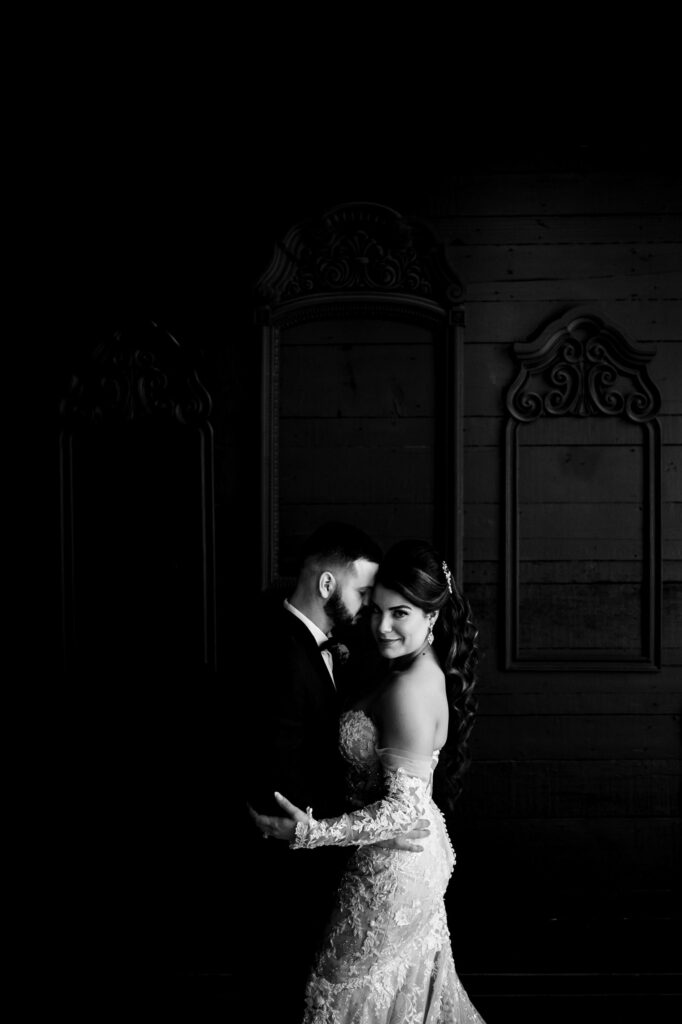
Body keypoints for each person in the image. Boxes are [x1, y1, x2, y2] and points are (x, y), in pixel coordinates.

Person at [254, 538, 486, 1023]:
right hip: (401, 850)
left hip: (395, 864)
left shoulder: (408, 688)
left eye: (399, 613)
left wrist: (309, 832)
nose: (381, 627)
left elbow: (401, 811)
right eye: (376, 609)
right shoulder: (406, 668)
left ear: (432, 616)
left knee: (338, 997)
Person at [239, 524, 430, 1024]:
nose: (372, 610)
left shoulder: (320, 643)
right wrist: (365, 826)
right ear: (327, 585)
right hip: (293, 873)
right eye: (364, 592)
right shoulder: (279, 654)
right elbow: (278, 785)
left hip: (347, 857)